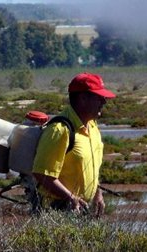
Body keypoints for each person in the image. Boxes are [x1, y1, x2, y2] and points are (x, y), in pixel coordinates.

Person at [32, 72, 115, 216]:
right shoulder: (60, 130)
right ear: (83, 98)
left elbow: (91, 168)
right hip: (57, 209)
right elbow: (42, 174)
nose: (104, 102)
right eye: (99, 98)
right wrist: (70, 197)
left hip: (81, 207)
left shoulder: (93, 127)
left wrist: (98, 194)